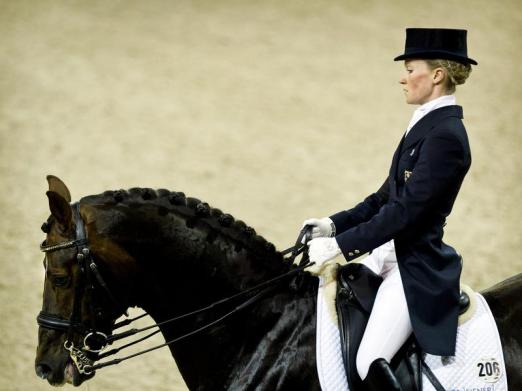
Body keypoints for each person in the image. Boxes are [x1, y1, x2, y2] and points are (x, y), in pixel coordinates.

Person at [303, 28, 476, 390]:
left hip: (415, 267)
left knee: (369, 362)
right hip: (386, 256)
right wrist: (332, 226)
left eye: (411, 69)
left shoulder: (446, 135)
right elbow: (385, 199)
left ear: (437, 75)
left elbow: (406, 212)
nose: (403, 77)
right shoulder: (427, 123)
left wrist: (341, 247)